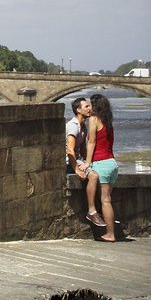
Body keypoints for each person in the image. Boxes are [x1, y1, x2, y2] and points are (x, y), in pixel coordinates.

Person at [66, 97, 104, 227]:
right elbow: (70, 151)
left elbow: (82, 150)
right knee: (93, 176)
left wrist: (89, 164)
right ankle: (92, 211)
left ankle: (101, 209)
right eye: (86, 106)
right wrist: (77, 169)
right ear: (78, 110)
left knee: (99, 172)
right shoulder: (73, 126)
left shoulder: (83, 127)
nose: (90, 109)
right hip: (69, 163)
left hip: (78, 160)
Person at [86, 92, 119, 242]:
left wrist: (87, 162)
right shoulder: (108, 121)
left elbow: (91, 142)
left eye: (91, 105)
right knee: (107, 199)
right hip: (112, 163)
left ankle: (110, 234)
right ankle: (111, 230)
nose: (89, 108)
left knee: (105, 200)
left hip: (101, 163)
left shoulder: (94, 120)